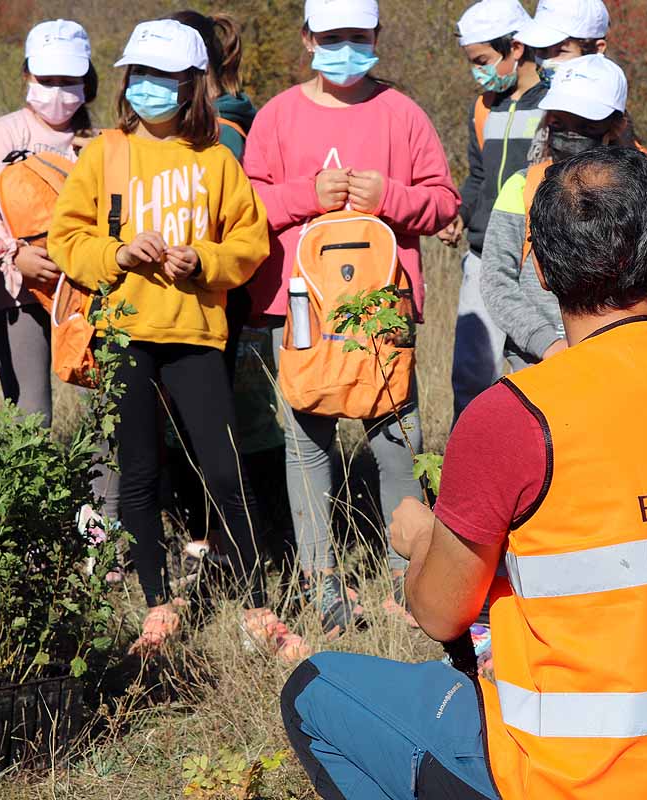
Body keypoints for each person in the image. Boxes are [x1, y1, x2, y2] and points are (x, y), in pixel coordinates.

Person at [282, 146, 647, 800]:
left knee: (313, 690)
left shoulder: (515, 417)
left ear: (541, 274)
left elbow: (438, 613)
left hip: (574, 780)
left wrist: (419, 540)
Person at [47, 19, 305, 661]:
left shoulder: (216, 160)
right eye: (140, 76)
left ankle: (255, 609)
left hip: (196, 335)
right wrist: (118, 254)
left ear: (191, 86)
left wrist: (206, 263)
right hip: (126, 336)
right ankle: (159, 606)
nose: (150, 89)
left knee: (224, 468)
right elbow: (66, 240)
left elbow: (249, 244)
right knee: (138, 472)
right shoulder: (104, 153)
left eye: (165, 78)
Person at [243, 0, 460, 634]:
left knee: (398, 441)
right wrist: (303, 197)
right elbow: (247, 204)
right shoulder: (278, 116)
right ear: (308, 37)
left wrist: (389, 198)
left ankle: (406, 578)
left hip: (382, 306)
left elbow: (443, 203)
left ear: (376, 37)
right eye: (332, 36)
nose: (345, 48)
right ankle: (322, 584)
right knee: (306, 443)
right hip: (302, 308)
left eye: (357, 37)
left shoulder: (402, 113)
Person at [165, 9, 294, 580]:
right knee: (205, 426)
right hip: (181, 300)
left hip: (227, 303)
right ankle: (211, 545)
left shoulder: (233, 133)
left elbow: (242, 225)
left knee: (240, 425)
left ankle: (263, 548)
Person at [0, 19, 97, 428]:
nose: (58, 90)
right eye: (47, 78)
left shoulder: (99, 140)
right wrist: (13, 254)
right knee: (29, 416)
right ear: (27, 73)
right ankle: (27, 494)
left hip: (84, 290)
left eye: (68, 78)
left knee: (102, 411)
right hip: (15, 293)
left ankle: (97, 495)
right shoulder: (6, 131)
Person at [481, 53, 637, 372]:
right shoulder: (522, 187)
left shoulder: (636, 192)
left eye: (583, 122)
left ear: (615, 125)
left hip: (614, 360)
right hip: (534, 363)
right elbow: (496, 278)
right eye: (559, 120)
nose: (569, 131)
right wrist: (547, 343)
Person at [442, 0, 548, 421]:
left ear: (517, 47)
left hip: (535, 264)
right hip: (482, 260)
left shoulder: (554, 102)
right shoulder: (485, 107)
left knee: (537, 372)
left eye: (484, 61)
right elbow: (478, 178)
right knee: (472, 375)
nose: (478, 73)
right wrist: (460, 213)